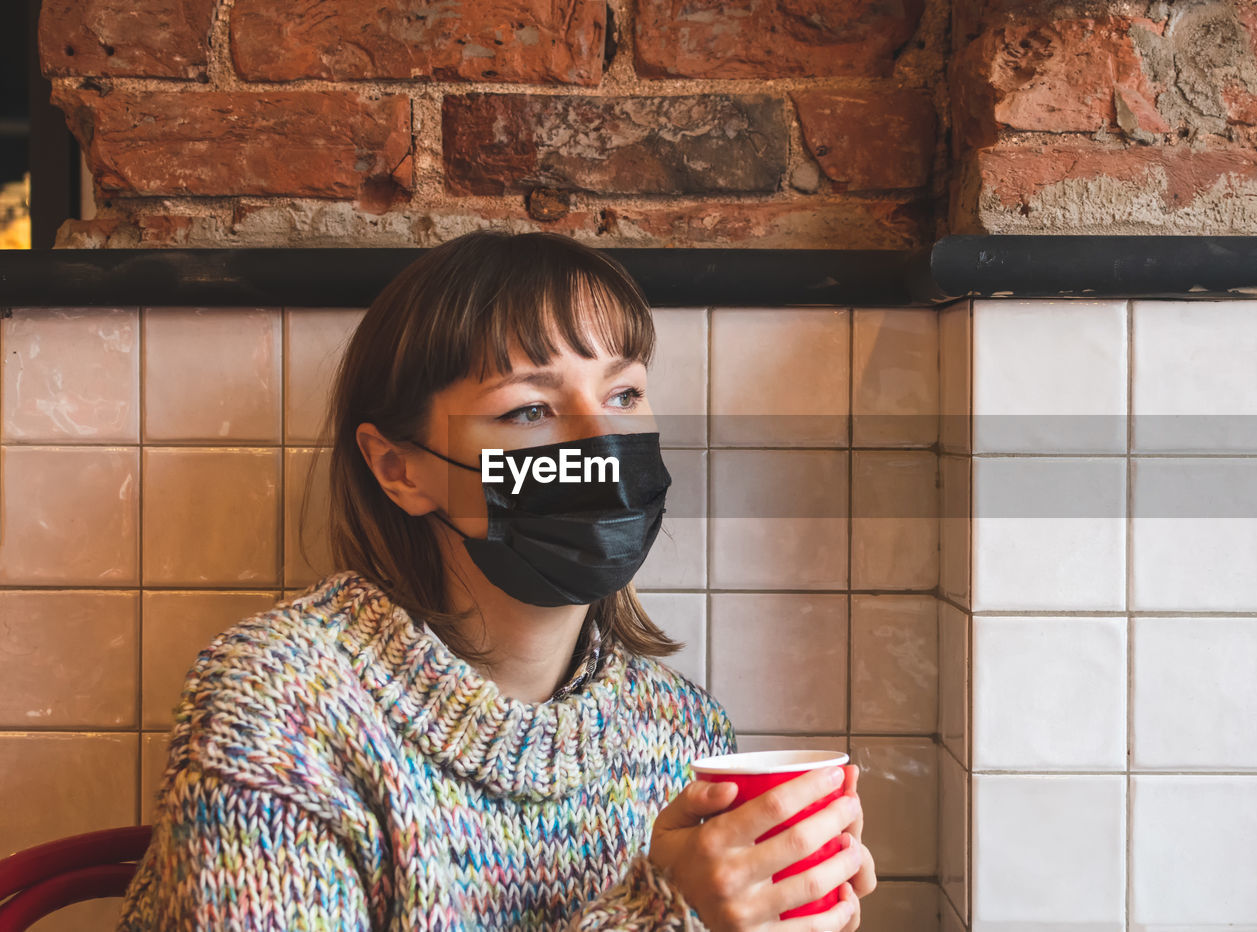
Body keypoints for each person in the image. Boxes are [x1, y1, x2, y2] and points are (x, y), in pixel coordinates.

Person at [116, 230, 877, 931]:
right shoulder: (282, 706)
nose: (604, 444)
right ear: (400, 469)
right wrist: (661, 918)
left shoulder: (684, 736)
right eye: (528, 411)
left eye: (623, 395)